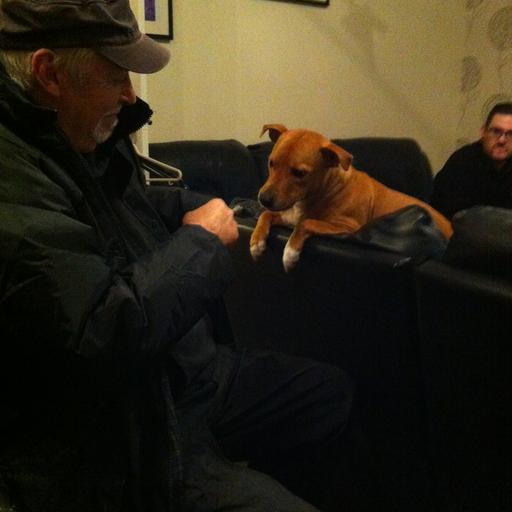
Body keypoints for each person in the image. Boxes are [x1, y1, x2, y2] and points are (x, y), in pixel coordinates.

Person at [0, 2, 357, 511]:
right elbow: (102, 330)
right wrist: (202, 244)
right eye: (116, 76)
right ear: (49, 73)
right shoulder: (13, 180)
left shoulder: (74, 132)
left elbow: (127, 204)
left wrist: (202, 206)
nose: (130, 94)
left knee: (328, 392)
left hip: (183, 374)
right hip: (125, 430)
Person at [430, 102, 512, 219]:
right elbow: (442, 216)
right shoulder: (462, 163)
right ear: (483, 132)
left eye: (510, 134)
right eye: (496, 131)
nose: (502, 140)